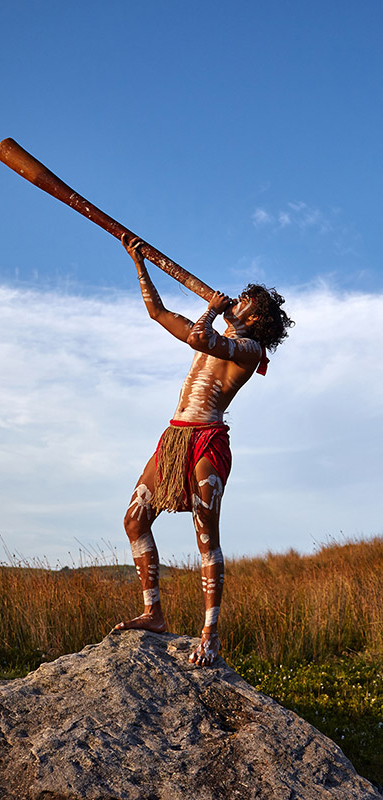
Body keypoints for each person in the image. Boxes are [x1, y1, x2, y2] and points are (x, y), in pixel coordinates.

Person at [114, 235, 294, 667]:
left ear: (257, 317)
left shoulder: (249, 349)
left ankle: (210, 636)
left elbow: (199, 337)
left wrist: (212, 309)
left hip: (207, 440)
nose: (235, 301)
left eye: (243, 302)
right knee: (134, 521)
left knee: (205, 535)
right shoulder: (221, 332)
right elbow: (159, 314)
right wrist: (139, 263)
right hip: (174, 436)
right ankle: (153, 613)